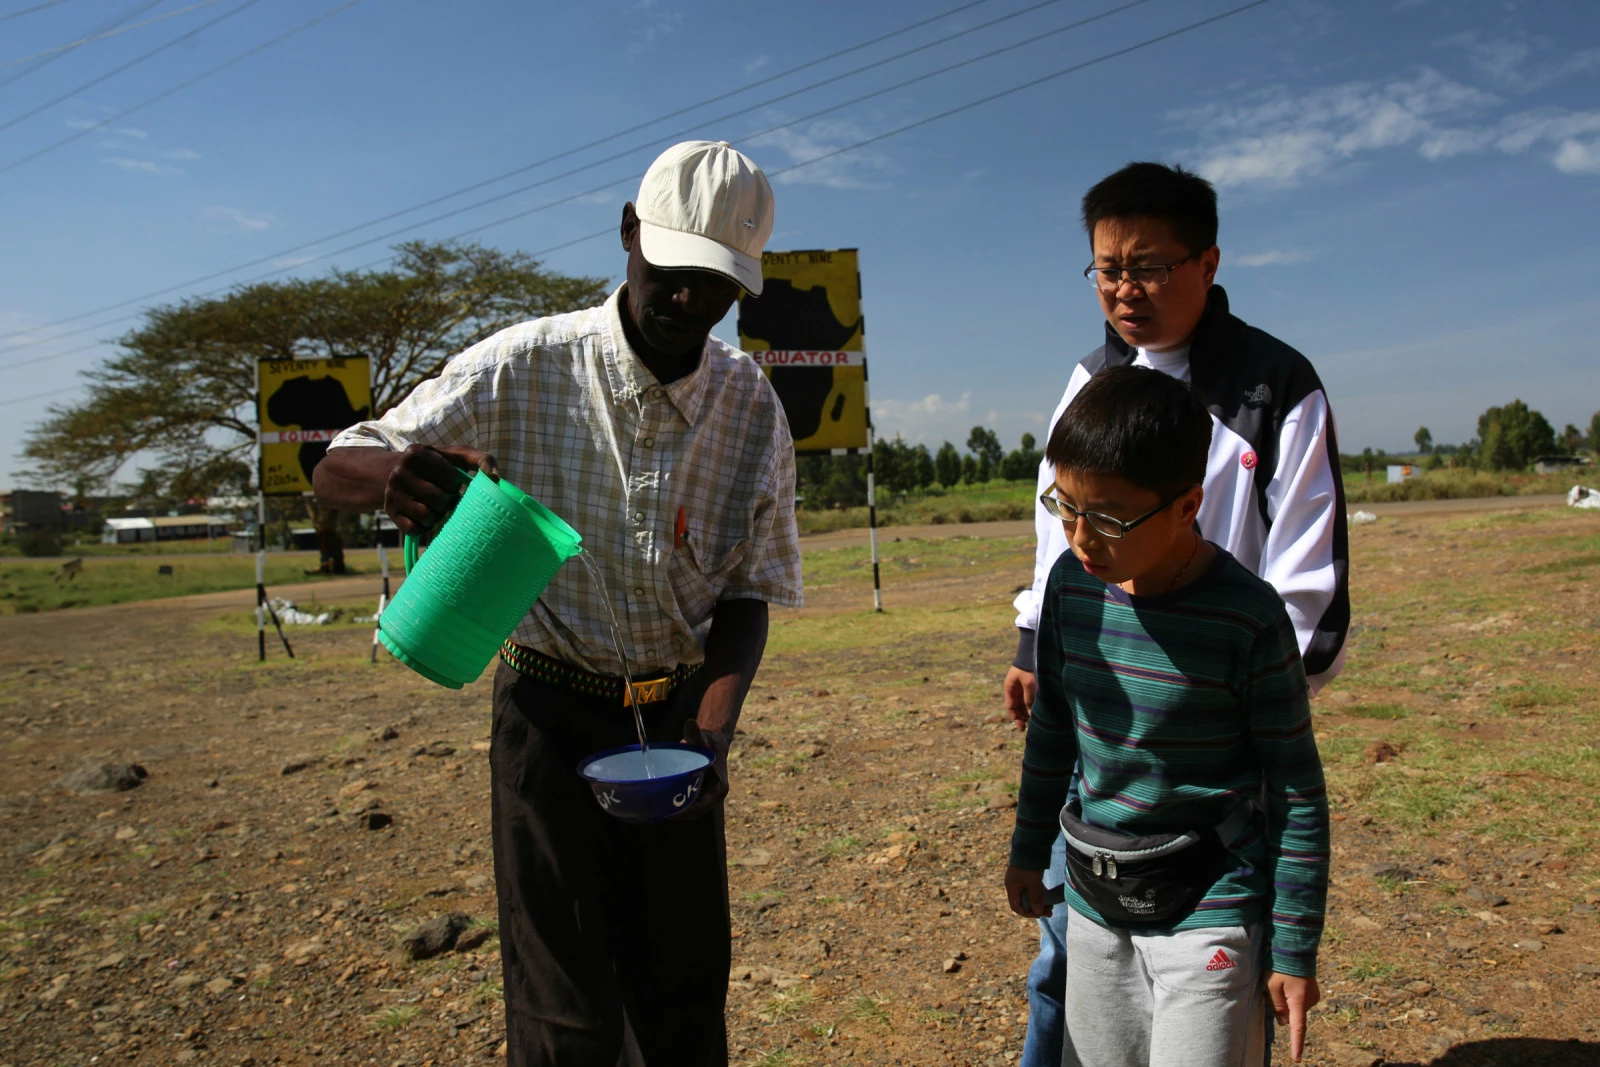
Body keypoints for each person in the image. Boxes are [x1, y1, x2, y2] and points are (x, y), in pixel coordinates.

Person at [313, 140, 801, 1067]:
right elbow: (336, 462)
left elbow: (747, 591)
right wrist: (395, 473)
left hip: (678, 723)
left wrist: (710, 735)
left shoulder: (750, 406)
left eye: (717, 284)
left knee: (685, 993)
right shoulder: (524, 365)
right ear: (628, 234)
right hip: (547, 715)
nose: (690, 301)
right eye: (673, 272)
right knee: (563, 1009)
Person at [1004, 162, 1350, 1067]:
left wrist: (1245, 683)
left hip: (1224, 727)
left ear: (1208, 262)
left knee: (1213, 977)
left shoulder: (1275, 386)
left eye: (1149, 266)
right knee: (1070, 962)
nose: (1125, 289)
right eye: (1107, 268)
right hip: (1104, 735)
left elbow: (1308, 573)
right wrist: (1034, 641)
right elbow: (1056, 537)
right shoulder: (1088, 382)